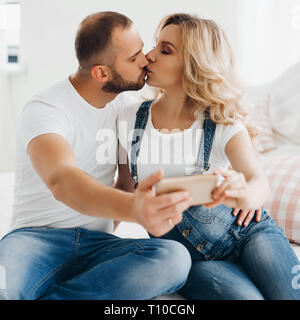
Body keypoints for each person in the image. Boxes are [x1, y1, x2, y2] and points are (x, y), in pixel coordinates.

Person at [0, 11, 193, 300]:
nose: (146, 60)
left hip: (98, 245)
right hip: (35, 240)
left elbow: (126, 182)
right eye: (133, 57)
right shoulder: (45, 109)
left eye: (142, 48)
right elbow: (62, 180)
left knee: (174, 258)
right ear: (101, 73)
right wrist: (133, 210)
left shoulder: (127, 110)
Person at [116, 13, 300, 299]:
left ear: (192, 65)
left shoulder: (220, 122)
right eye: (156, 45)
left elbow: (258, 181)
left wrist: (244, 195)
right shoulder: (129, 118)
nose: (149, 56)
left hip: (250, 234)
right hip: (193, 261)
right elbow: (123, 190)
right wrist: (86, 241)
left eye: (165, 50)